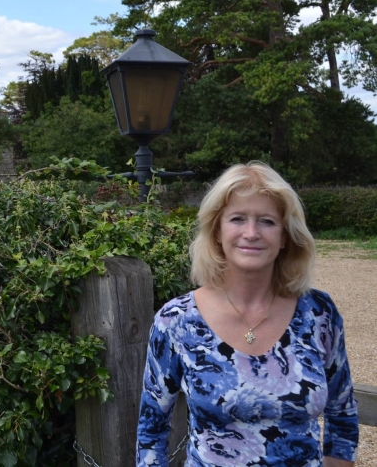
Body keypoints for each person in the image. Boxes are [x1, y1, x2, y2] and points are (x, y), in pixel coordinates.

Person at [136, 162, 358, 466]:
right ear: (217, 231)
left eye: (267, 221)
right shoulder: (176, 320)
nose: (251, 233)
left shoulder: (319, 313)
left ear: (284, 237)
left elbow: (342, 418)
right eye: (238, 219)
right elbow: (152, 431)